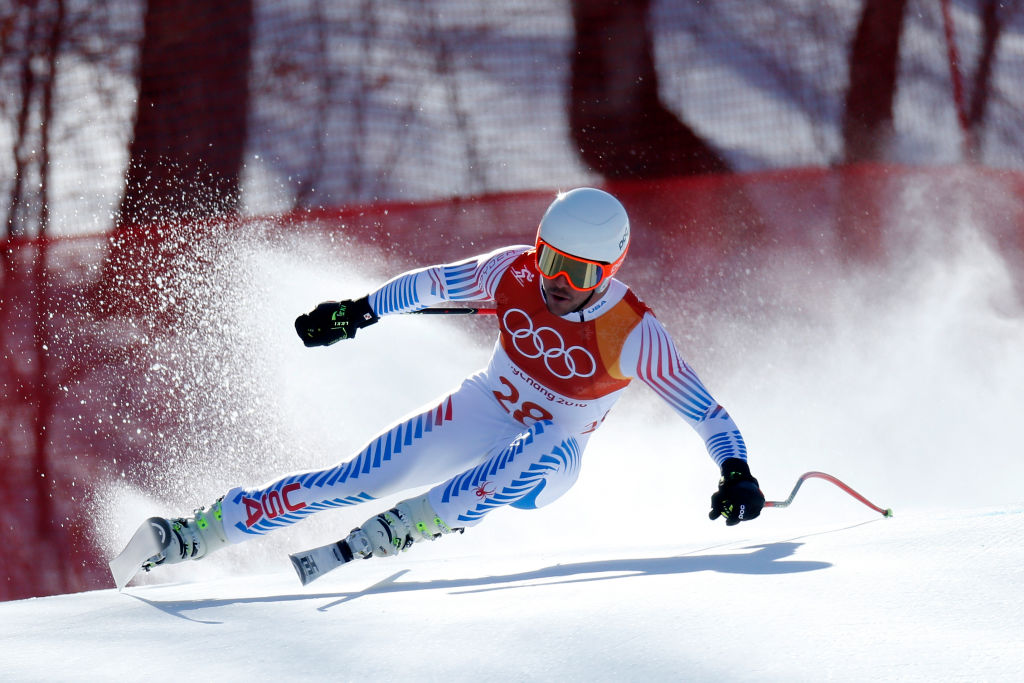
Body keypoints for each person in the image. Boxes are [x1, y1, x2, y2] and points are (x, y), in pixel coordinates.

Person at [140, 187, 764, 571]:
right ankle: (203, 531)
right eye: (549, 258)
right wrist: (355, 313)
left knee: (547, 444)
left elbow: (706, 413)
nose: (555, 281)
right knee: (356, 480)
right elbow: (430, 284)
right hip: (484, 408)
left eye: (576, 273)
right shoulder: (510, 273)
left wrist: (735, 472)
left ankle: (419, 521)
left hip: (552, 462)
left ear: (607, 271)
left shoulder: (634, 333)